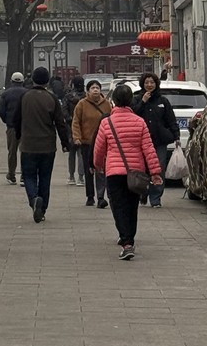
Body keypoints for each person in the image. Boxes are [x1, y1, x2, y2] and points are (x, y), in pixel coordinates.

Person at [93, 82, 162, 259]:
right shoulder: (140, 122)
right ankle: (129, 239)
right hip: (135, 172)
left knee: (118, 206)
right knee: (132, 206)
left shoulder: (106, 122)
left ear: (114, 101)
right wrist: (155, 173)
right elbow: (148, 148)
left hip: (114, 173)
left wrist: (97, 165)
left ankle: (126, 241)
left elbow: (99, 148)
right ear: (131, 101)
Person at [14, 66, 69, 222]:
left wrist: (19, 135)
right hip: (47, 145)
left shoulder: (24, 97)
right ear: (47, 81)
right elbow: (60, 122)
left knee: (29, 176)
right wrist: (65, 143)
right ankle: (42, 208)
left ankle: (33, 200)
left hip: (28, 144)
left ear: (32, 80)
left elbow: (17, 119)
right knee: (45, 177)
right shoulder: (52, 99)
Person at [133, 73, 180, 208]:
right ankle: (142, 192)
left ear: (156, 84)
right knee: (142, 169)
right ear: (142, 84)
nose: (149, 85)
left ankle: (156, 198)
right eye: (146, 82)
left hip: (159, 141)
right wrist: (143, 102)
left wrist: (176, 136)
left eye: (152, 82)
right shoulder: (136, 99)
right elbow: (133, 115)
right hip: (141, 141)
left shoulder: (163, 101)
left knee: (158, 168)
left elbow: (171, 120)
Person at [72, 78, 113, 207]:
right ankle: (90, 196)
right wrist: (76, 137)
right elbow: (76, 122)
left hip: (102, 142)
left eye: (97, 88)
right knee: (88, 169)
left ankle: (101, 196)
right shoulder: (82, 104)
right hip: (86, 142)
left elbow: (112, 121)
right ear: (87, 91)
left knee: (100, 169)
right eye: (92, 88)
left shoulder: (107, 104)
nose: (95, 90)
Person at [0, 71, 27, 184]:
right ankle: (24, 175)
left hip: (12, 127)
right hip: (25, 127)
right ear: (22, 81)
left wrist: (7, 121)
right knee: (25, 151)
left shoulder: (6, 94)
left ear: (11, 81)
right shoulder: (27, 93)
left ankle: (11, 174)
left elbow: (1, 111)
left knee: (12, 151)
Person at [63, 77, 85, 185]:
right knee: (81, 154)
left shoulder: (68, 97)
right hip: (83, 128)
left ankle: (71, 176)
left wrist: (69, 120)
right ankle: (81, 177)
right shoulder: (86, 97)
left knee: (71, 154)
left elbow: (64, 111)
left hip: (70, 128)